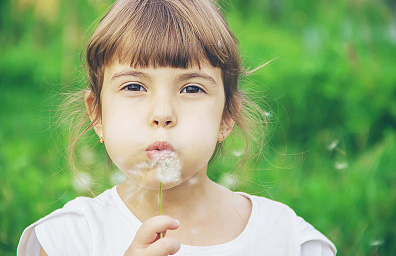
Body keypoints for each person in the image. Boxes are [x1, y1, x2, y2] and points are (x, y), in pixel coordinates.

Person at [18, 0, 337, 255]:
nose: (162, 114)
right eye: (133, 87)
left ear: (226, 117)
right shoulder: (71, 238)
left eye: (191, 89)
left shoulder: (287, 240)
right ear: (97, 115)